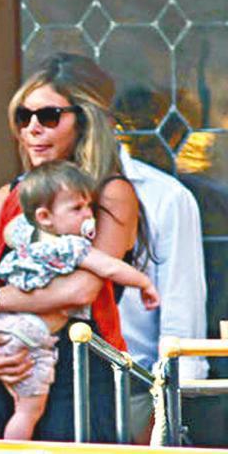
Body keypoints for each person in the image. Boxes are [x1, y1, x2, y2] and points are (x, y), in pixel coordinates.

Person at [0, 52, 146, 441]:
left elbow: (80, 291)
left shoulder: (110, 192)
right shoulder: (10, 195)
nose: (33, 128)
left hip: (79, 378)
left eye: (49, 116)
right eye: (24, 117)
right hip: (7, 370)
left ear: (84, 122)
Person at [0, 160, 159, 439]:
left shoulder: (22, 236)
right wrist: (144, 283)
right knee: (27, 410)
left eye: (89, 207)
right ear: (44, 215)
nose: (87, 215)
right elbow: (104, 272)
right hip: (32, 338)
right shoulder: (71, 246)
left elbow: (80, 290)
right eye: (77, 208)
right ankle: (14, 445)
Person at [117, 147, 209, 443]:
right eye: (22, 123)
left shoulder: (165, 195)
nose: (34, 129)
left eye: (49, 121)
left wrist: (166, 410)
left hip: (138, 385)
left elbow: (181, 303)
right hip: (50, 380)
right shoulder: (30, 189)